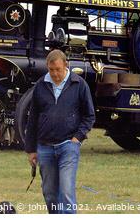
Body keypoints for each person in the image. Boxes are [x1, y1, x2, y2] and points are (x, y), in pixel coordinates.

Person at [25, 50, 95, 214]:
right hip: (44, 147)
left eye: (58, 69)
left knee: (66, 191)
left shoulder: (79, 84)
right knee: (49, 193)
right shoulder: (40, 85)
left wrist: (78, 137)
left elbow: (89, 116)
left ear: (66, 65)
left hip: (68, 146)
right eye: (51, 70)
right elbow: (32, 118)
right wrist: (30, 150)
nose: (55, 73)